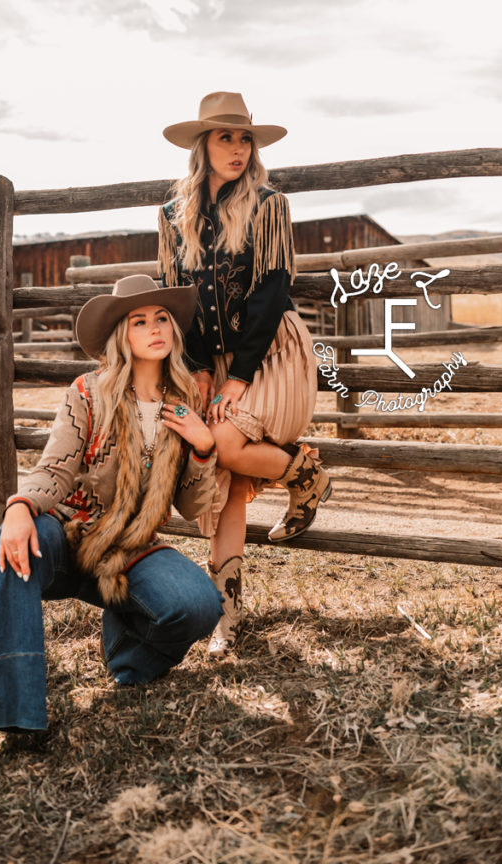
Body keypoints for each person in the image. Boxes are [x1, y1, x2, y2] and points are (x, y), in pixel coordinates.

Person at [0, 274, 222, 798]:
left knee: (198, 605)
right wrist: (21, 507)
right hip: (70, 531)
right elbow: (56, 469)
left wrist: (204, 447)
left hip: (131, 548)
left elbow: (189, 507)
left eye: (162, 317)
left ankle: (128, 661)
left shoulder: (188, 399)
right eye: (139, 321)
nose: (154, 328)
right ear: (122, 334)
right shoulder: (89, 392)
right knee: (8, 555)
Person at [158, 91, 331, 657]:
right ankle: (224, 619)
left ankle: (305, 474)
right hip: (214, 363)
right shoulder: (171, 216)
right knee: (223, 492)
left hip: (271, 352)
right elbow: (178, 301)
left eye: (244, 138)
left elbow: (270, 292)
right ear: (201, 145)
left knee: (226, 447)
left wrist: (237, 376)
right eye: (224, 137)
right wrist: (201, 368)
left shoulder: (268, 204)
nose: (236, 148)